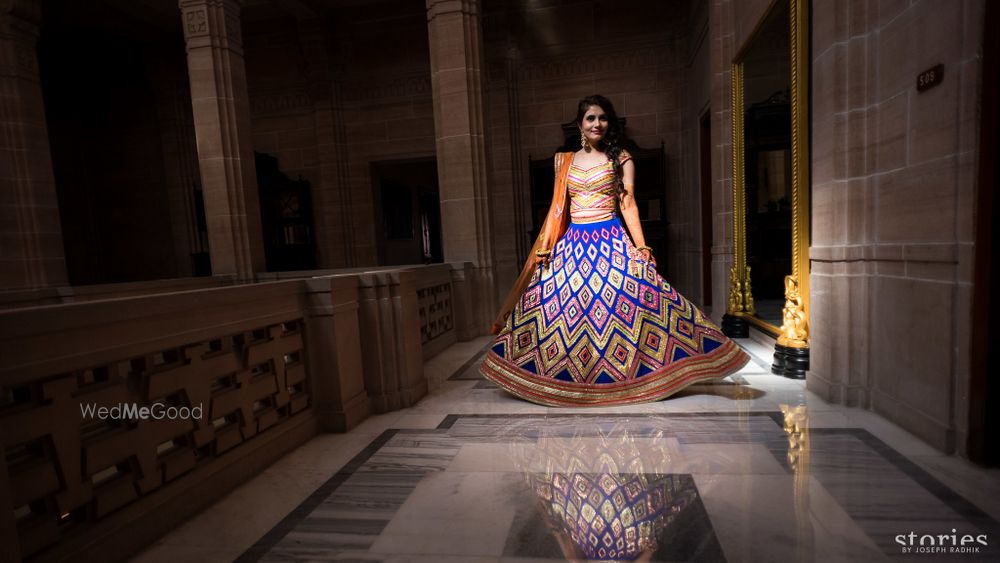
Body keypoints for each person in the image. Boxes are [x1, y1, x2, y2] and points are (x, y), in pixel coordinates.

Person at [480, 95, 750, 406]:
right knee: (556, 306)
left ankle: (635, 375)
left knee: (632, 300)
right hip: (572, 243)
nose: (597, 124)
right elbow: (558, 210)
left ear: (611, 123)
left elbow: (628, 203)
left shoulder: (621, 157)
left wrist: (641, 246)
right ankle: (561, 380)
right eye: (590, 118)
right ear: (580, 124)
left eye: (603, 118)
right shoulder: (564, 161)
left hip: (609, 238)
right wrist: (547, 248)